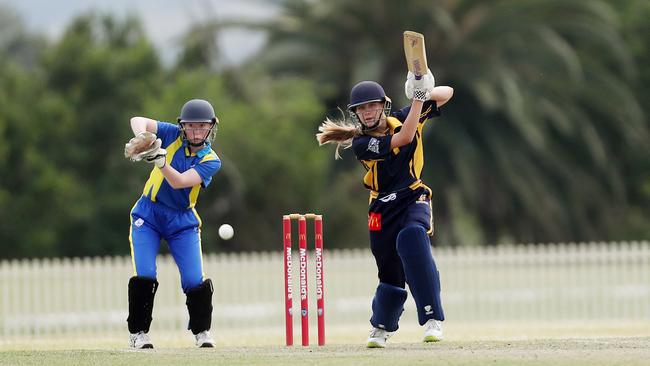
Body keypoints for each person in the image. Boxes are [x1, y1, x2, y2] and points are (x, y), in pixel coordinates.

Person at [316, 71, 453, 348]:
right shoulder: (361, 144)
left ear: (383, 105)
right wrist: (417, 101)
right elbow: (403, 138)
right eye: (361, 108)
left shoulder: (403, 114)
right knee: (390, 272)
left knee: (413, 237)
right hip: (381, 208)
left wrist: (423, 90)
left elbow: (447, 93)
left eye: (372, 106)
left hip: (414, 195)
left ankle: (431, 319)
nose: (368, 112)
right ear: (356, 114)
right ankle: (381, 326)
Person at [124, 99, 222, 349]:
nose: (196, 132)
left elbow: (179, 182)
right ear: (182, 126)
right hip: (148, 215)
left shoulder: (211, 160)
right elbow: (136, 120)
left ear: (211, 128)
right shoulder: (170, 134)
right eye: (191, 126)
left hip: (182, 221)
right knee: (145, 274)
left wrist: (160, 160)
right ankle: (138, 334)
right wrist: (146, 139)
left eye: (202, 126)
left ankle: (202, 332)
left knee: (193, 280)